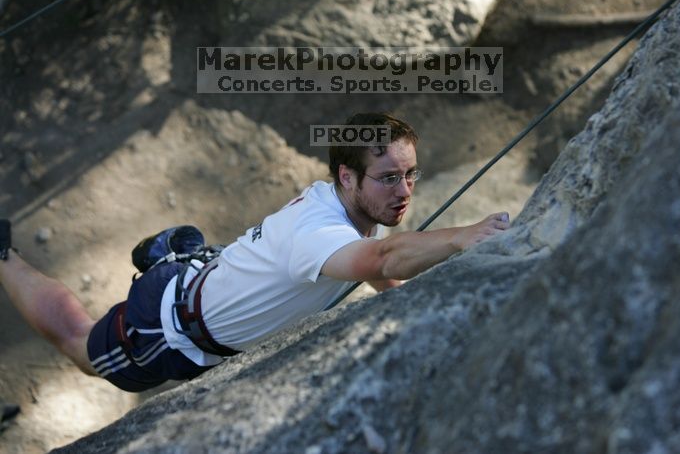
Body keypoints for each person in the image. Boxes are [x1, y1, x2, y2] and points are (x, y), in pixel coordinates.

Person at [0, 112, 510, 392]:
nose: (404, 191)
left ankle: (178, 255)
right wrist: (463, 236)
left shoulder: (354, 208)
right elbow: (377, 260)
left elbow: (374, 263)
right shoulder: (318, 231)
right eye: (389, 178)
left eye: (410, 174)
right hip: (169, 327)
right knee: (80, 344)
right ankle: (5, 255)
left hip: (212, 280)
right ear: (347, 176)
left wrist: (401, 300)